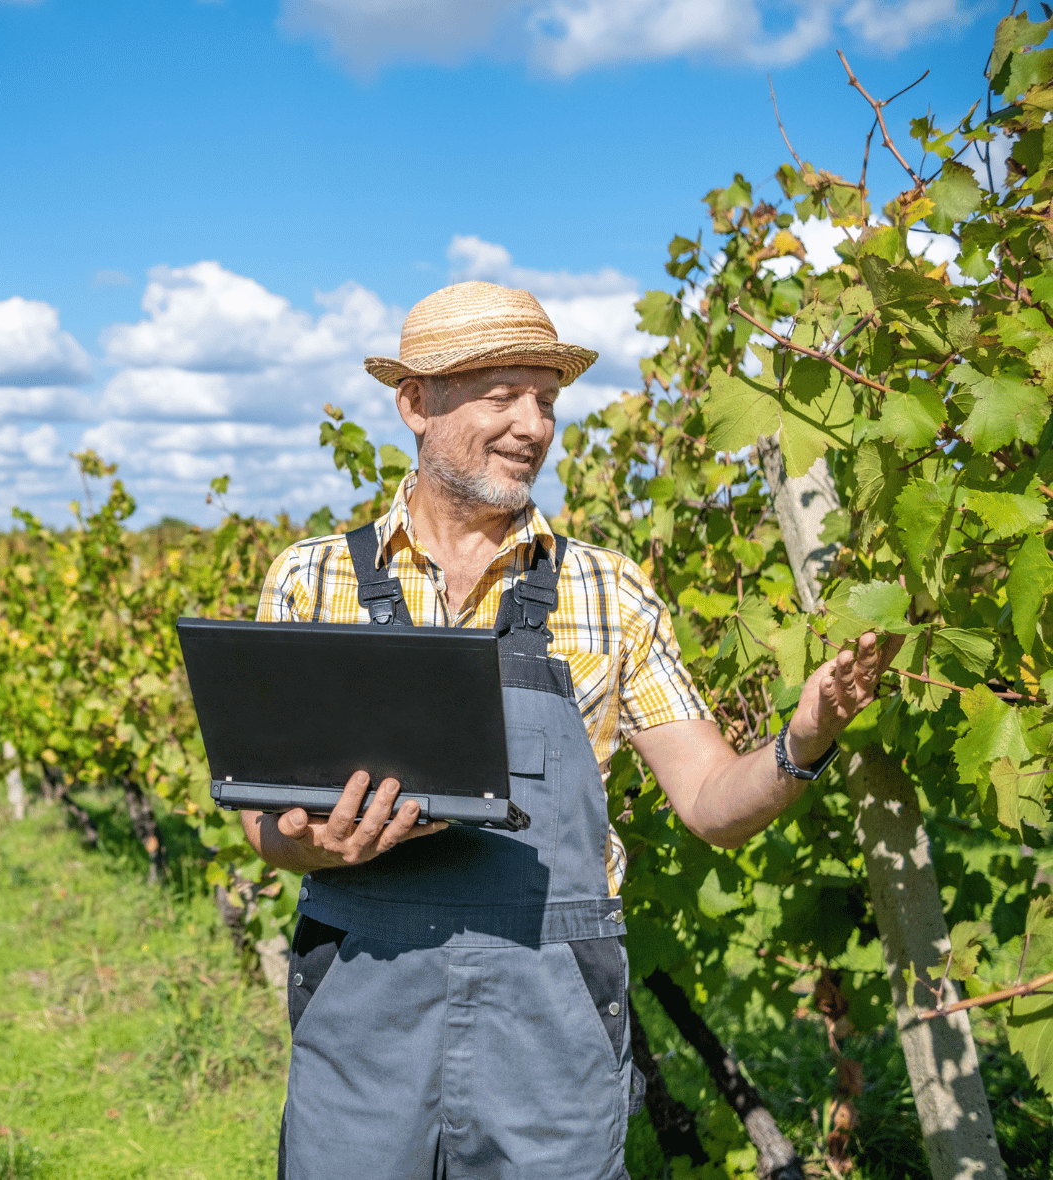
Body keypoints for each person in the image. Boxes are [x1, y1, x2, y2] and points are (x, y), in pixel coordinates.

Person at [247, 281, 900, 1179]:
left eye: (547, 400)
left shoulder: (609, 591)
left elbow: (711, 802)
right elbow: (265, 825)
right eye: (501, 394)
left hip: (549, 1025)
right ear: (414, 404)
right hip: (364, 1013)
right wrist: (318, 844)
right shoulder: (312, 582)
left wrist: (803, 739)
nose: (532, 426)